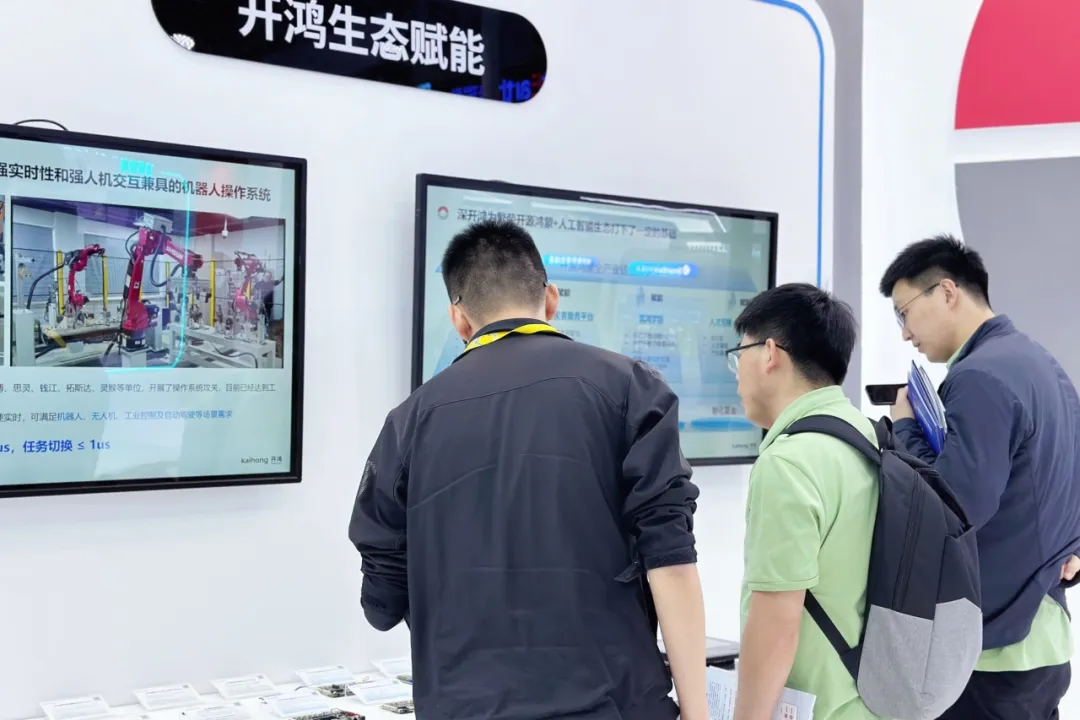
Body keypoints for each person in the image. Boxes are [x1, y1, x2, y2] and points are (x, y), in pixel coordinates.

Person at [348, 219, 707, 720]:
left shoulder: (408, 421)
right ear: (551, 299)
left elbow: (382, 602)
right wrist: (697, 710)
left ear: (459, 320)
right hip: (614, 706)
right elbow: (670, 560)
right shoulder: (631, 387)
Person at [879, 234, 1080, 719]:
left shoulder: (980, 376)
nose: (905, 334)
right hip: (1040, 638)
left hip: (993, 651)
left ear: (947, 292)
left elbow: (953, 507)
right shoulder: (1041, 363)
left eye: (904, 313)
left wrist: (904, 427)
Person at [728, 283, 882, 720]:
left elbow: (776, 625)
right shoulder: (869, 437)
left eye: (739, 355)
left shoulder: (788, 463)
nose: (737, 373)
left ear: (769, 353)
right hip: (876, 701)